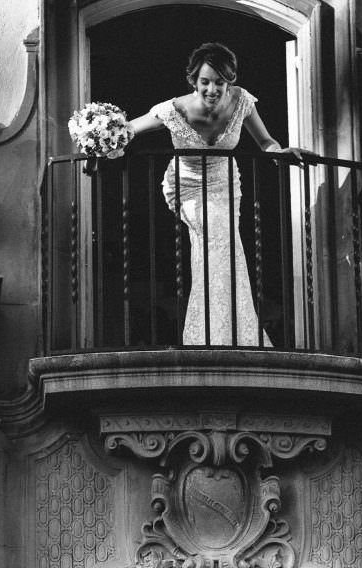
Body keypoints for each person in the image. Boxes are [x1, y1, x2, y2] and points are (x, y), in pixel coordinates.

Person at [125, 42, 301, 347]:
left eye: (220, 82)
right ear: (193, 81)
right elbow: (130, 129)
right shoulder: (175, 109)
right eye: (205, 82)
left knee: (225, 249)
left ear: (229, 81)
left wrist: (278, 153)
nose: (212, 89)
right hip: (187, 185)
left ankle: (230, 333)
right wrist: (101, 138)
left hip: (224, 183)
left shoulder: (241, 101)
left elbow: (266, 141)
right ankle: (209, 335)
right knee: (217, 243)